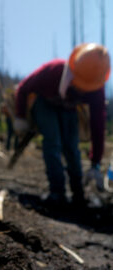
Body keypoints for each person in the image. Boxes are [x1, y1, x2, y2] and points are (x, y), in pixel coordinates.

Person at [13, 43, 111, 206]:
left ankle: (78, 194)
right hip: (44, 103)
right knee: (53, 142)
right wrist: (20, 116)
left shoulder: (96, 89)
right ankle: (57, 192)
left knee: (72, 148)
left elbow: (97, 125)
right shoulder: (53, 70)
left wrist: (95, 163)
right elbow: (23, 88)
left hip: (69, 109)